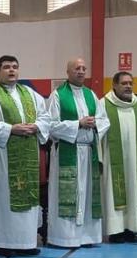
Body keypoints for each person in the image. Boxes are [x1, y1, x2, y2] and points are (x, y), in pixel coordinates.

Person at [0, 55, 48, 256]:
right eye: (6, 67)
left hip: (28, 155)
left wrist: (36, 126)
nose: (11, 70)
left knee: (27, 202)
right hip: (1, 156)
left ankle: (26, 243)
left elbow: (45, 117)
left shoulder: (30, 94)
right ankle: (2, 243)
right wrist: (10, 129)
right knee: (3, 200)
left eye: (15, 67)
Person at [42, 58, 109, 248]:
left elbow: (104, 120)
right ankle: (64, 238)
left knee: (87, 193)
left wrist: (96, 123)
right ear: (68, 72)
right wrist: (77, 124)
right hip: (67, 151)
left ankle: (88, 236)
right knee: (70, 194)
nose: (81, 72)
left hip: (88, 152)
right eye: (76, 69)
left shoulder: (91, 95)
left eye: (83, 68)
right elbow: (51, 126)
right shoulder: (58, 95)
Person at [98, 72, 137, 243]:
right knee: (112, 192)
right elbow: (98, 133)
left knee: (135, 192)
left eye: (131, 83)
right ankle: (115, 231)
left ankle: (131, 229)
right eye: (124, 83)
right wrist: (99, 157)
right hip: (113, 160)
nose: (128, 86)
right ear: (114, 85)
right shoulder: (104, 105)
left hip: (135, 161)